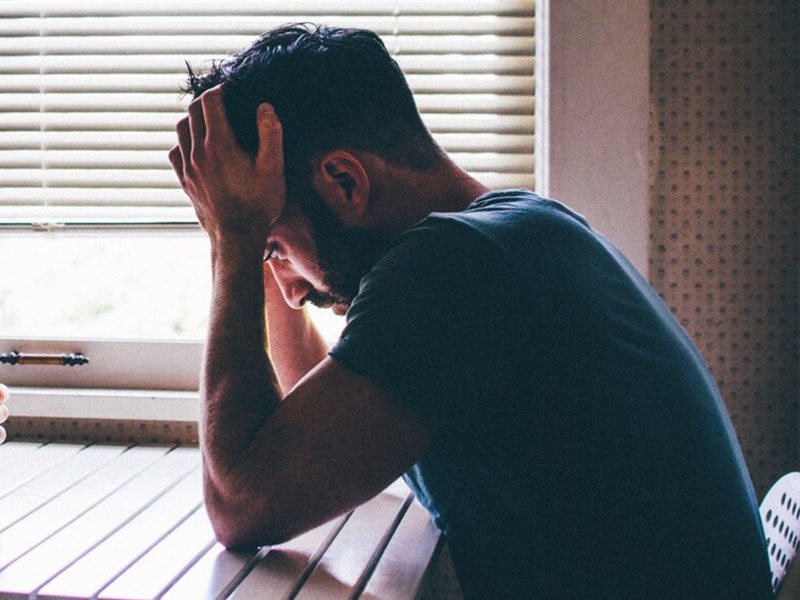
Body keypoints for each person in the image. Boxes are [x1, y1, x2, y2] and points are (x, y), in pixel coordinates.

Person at [168, 24, 773, 599]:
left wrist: (237, 238)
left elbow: (241, 500)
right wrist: (251, 231)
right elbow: (309, 421)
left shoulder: (448, 271)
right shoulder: (514, 230)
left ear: (346, 183)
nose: (291, 291)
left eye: (277, 252)